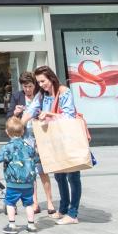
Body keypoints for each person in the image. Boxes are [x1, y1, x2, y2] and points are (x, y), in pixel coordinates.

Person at [22, 66, 81, 225]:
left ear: (51, 78)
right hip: (53, 140)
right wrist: (19, 125)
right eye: (38, 82)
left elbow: (69, 115)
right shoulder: (42, 95)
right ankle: (63, 209)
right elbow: (32, 110)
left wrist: (49, 114)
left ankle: (73, 213)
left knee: (72, 175)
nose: (41, 85)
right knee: (59, 174)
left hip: (67, 138)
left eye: (43, 81)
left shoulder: (64, 92)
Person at [9, 72, 56, 215]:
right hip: (26, 137)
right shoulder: (17, 96)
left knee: (42, 170)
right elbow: (9, 117)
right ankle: (34, 202)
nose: (27, 90)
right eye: (25, 87)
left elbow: (49, 111)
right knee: (30, 171)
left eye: (30, 86)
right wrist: (16, 113)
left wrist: (41, 113)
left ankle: (49, 201)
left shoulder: (40, 95)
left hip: (40, 135)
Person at [0, 116, 39, 234]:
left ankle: (12, 225)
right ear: (23, 131)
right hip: (28, 182)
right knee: (29, 204)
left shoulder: (7, 147)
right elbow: (36, 159)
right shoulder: (28, 147)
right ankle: (31, 225)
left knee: (10, 203)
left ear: (7, 132)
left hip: (13, 183)